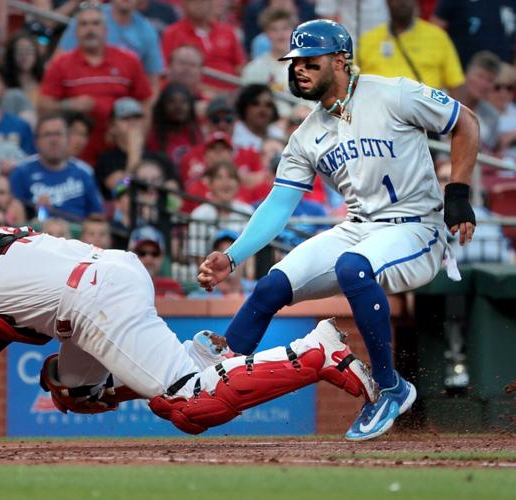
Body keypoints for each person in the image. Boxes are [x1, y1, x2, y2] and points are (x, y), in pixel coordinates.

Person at [0, 195, 376, 450]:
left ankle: (315, 351)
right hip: (105, 277)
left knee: (191, 408)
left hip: (90, 303)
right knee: (69, 388)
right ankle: (193, 355)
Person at [197, 20, 480, 441]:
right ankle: (217, 372)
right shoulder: (307, 133)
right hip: (359, 228)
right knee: (270, 287)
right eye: (295, 64)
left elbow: (467, 122)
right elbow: (279, 204)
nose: (299, 71)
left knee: (353, 267)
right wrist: (233, 256)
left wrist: (457, 192)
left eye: (310, 62)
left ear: (341, 60)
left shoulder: (392, 92)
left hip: (417, 228)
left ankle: (390, 387)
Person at [38, 2, 152, 165]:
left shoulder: (128, 61)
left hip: (118, 153)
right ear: (76, 32)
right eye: (83, 24)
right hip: (76, 156)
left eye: (95, 23)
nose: (90, 30)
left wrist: (138, 137)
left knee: (123, 187)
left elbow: (145, 101)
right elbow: (43, 105)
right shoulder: (60, 64)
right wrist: (70, 104)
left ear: (106, 30)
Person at [10, 113, 104, 221]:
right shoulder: (21, 172)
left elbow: (97, 215)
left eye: (58, 134)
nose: (54, 140)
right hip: (36, 233)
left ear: (68, 139)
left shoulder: (84, 172)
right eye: (47, 134)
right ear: (36, 142)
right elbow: (14, 217)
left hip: (78, 234)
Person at [358, 0, 464, 94]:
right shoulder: (368, 40)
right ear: (387, 2)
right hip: (378, 112)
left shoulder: (438, 37)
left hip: (423, 112)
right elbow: (350, 83)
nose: (402, 2)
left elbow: (455, 86)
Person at [58, 0, 163, 92]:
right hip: (79, 88)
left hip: (125, 98)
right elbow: (57, 63)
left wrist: (145, 112)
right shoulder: (89, 18)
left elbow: (153, 84)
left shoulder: (147, 30)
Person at [96, 97, 178, 200]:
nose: (132, 122)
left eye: (137, 117)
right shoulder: (107, 160)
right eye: (125, 118)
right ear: (112, 126)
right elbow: (119, 190)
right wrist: (134, 153)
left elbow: (175, 198)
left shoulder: (160, 158)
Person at [161, 0, 246, 91]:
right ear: (184, 5)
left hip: (230, 93)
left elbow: (240, 66)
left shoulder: (227, 31)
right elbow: (165, 71)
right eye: (195, 2)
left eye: (203, 1)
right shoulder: (172, 33)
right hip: (192, 94)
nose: (199, 5)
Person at [188, 229, 255, 298]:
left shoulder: (257, 290)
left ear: (245, 258)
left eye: (234, 255)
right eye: (223, 253)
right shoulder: (199, 296)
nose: (228, 261)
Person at [147, 83, 202, 167]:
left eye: (184, 102)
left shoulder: (196, 134)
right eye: (172, 101)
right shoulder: (153, 136)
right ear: (163, 106)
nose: (178, 107)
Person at [129, 224, 184, 297]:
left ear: (162, 257)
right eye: (142, 253)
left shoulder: (172, 287)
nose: (148, 259)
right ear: (130, 255)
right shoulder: (120, 286)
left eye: (155, 253)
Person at [231, 83, 280, 152]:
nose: (262, 110)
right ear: (244, 107)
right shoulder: (233, 133)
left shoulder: (278, 136)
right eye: (255, 104)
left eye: (268, 105)